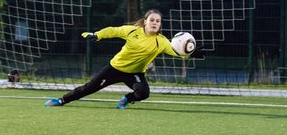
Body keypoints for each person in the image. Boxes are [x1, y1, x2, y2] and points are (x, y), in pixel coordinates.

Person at [44, 9, 201, 109]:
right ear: (145, 21)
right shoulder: (132, 31)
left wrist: (190, 53)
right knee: (89, 88)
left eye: (157, 21)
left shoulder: (161, 41)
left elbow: (175, 51)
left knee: (143, 93)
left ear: (160, 25)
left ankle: (126, 99)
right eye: (152, 20)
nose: (154, 23)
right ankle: (61, 101)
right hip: (114, 69)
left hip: (135, 74)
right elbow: (113, 31)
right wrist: (97, 35)